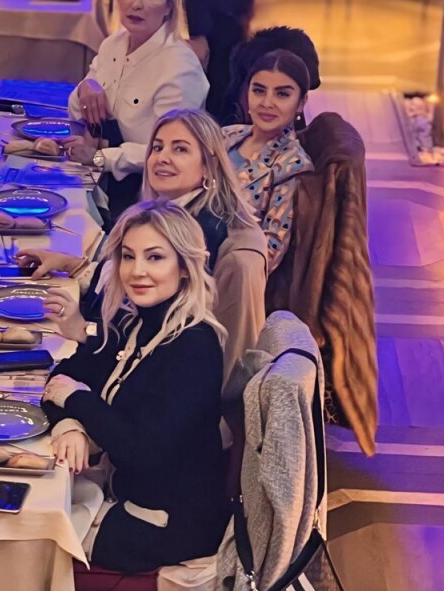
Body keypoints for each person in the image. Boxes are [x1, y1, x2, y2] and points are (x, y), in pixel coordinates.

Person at [41, 199, 228, 575]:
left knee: (32, 535)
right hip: (124, 491)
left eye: (154, 257)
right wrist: (69, 426)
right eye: (128, 256)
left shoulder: (195, 346)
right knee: (31, 500)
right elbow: (62, 375)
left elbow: (141, 449)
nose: (137, 271)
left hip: (166, 523)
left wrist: (77, 400)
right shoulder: (136, 323)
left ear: (185, 267)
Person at [23, 109, 267, 387]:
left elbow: (160, 338)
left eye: (180, 149)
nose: (162, 157)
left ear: (209, 165)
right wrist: (75, 267)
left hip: (153, 387)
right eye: (158, 147)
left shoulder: (214, 241)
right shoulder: (173, 213)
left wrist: (84, 330)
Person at [65, 0, 209, 224]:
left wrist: (99, 157)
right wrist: (86, 88)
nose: (136, 4)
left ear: (169, 7)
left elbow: (169, 154)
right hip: (99, 182)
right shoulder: (112, 45)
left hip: (151, 200)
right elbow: (77, 113)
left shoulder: (180, 67)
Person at [223, 49, 315, 273]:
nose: (267, 102)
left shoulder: (293, 165)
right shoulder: (226, 136)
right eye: (259, 90)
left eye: (282, 94)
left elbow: (269, 252)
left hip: (226, 272)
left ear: (301, 102)